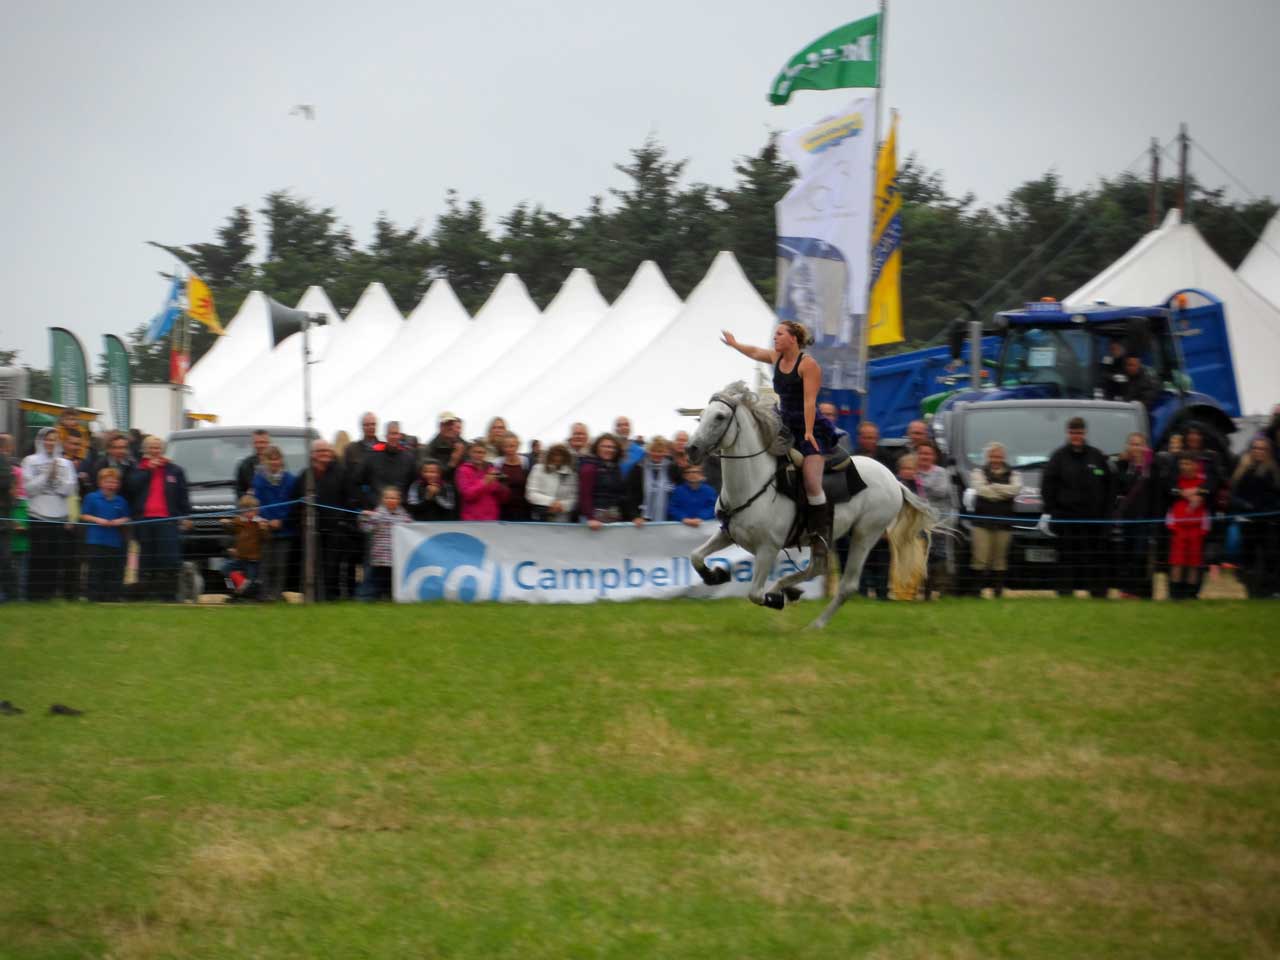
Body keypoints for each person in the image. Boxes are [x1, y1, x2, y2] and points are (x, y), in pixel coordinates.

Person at [722, 321, 837, 571]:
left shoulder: (808, 365)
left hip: (811, 429)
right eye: (774, 334)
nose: (774, 338)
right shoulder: (776, 357)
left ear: (793, 338)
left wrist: (807, 431)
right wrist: (734, 344)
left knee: (810, 480)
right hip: (782, 423)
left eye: (779, 334)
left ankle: (819, 536)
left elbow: (809, 402)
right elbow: (754, 352)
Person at [1041, 416, 1112, 598]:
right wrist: (1053, 511)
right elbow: (1047, 487)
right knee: (1066, 559)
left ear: (1085, 433)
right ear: (1068, 433)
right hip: (1067, 520)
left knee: (1094, 558)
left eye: (1079, 432)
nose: (1076, 436)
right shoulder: (1058, 457)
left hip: (1094, 522)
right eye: (1073, 432)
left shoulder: (1097, 456)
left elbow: (1109, 486)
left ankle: (1097, 593)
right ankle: (1065, 593)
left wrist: (1106, 514)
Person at [125, 435, 191, 601]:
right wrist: (148, 470)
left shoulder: (175, 470)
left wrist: (186, 516)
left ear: (163, 450)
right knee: (147, 559)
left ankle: (168, 596)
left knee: (169, 559)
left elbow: (183, 495)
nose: (155, 451)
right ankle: (145, 595)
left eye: (158, 448)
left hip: (167, 520)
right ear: (145, 450)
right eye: (151, 448)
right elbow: (131, 488)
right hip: (144, 520)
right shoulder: (137, 469)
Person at [21, 427, 77, 601]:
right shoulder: (29, 461)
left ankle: (50, 595)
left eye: (53, 439)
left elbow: (69, 489)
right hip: (38, 515)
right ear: (40, 441)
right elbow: (28, 489)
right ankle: (35, 596)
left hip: (59, 517)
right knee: (38, 558)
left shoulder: (66, 463)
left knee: (54, 559)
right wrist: (46, 475)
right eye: (47, 439)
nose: (50, 443)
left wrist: (55, 478)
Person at [290, 439, 349, 601]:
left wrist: (342, 520)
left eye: (327, 451)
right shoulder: (305, 475)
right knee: (312, 565)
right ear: (312, 454)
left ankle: (332, 597)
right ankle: (312, 596)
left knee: (333, 565)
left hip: (334, 529)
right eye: (320, 451)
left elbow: (349, 499)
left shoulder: (341, 473)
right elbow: (295, 500)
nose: (324, 454)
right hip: (311, 529)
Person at [966, 441, 1022, 598]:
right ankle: (976, 592)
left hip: (1004, 523)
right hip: (981, 523)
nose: (996, 459)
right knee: (980, 558)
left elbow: (1016, 489)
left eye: (999, 456)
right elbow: (981, 491)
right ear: (988, 457)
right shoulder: (978, 472)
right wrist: (1003, 491)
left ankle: (998, 593)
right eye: (993, 456)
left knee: (1000, 559)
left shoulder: (1014, 474)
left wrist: (994, 487)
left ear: (1003, 457)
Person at [1228, 436, 1280, 598]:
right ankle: (1252, 591)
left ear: (1268, 451)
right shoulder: (1242, 470)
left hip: (1267, 522)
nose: (1258, 451)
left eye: (1262, 448)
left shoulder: (1272, 472)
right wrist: (1244, 506)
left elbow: (1275, 496)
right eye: (1256, 448)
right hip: (1247, 521)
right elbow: (1233, 495)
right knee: (1247, 558)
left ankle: (1270, 591)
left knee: (1270, 556)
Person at [1111, 432, 1156, 598]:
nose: (1136, 447)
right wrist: (1123, 462)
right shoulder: (1124, 466)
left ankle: (1139, 592)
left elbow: (1156, 494)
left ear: (1145, 447)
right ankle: (1126, 590)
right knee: (1125, 554)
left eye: (1139, 444)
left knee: (1140, 555)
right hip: (1127, 518)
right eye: (1133, 444)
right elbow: (1120, 486)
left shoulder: (1151, 469)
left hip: (1145, 519)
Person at [79, 467, 130, 602]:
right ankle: (93, 597)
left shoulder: (121, 501)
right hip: (95, 540)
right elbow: (84, 515)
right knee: (95, 570)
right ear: (101, 483)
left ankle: (112, 597)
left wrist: (119, 521)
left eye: (114, 482)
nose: (111, 485)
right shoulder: (91, 497)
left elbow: (127, 518)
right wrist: (99, 520)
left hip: (114, 541)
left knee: (113, 570)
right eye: (108, 482)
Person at [252, 445, 295, 602]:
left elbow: (292, 504)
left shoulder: (291, 480)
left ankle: (277, 594)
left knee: (280, 565)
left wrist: (281, 520)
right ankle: (264, 595)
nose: (274, 462)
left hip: (285, 529)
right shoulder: (259, 480)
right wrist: (267, 520)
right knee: (265, 564)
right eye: (271, 459)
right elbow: (258, 503)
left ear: (281, 460)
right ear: (265, 461)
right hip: (265, 529)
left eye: (277, 458)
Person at [913, 442, 956, 598]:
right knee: (921, 555)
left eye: (928, 453)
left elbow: (941, 490)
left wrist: (919, 484)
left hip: (939, 522)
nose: (925, 456)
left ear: (934, 456)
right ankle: (923, 590)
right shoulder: (912, 471)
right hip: (917, 522)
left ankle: (942, 589)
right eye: (922, 453)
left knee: (938, 555)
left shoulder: (942, 472)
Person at [1167, 454, 1210, 599]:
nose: (1184, 467)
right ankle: (1175, 595)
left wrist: (1197, 494)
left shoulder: (1202, 482)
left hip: (1196, 529)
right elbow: (1171, 491)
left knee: (1193, 563)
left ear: (1195, 465)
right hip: (1178, 528)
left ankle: (1190, 594)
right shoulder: (1176, 481)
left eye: (1188, 463)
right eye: (1182, 464)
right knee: (1177, 562)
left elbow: (1207, 494)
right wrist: (1186, 495)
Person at [359, 486, 412, 600]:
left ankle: (391, 597)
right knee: (377, 579)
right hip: (380, 556)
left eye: (394, 498)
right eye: (388, 498)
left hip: (396, 557)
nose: (391, 500)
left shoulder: (404, 516)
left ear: (399, 500)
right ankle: (373, 597)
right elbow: (366, 528)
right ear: (383, 499)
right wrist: (364, 517)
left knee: (393, 579)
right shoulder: (377, 514)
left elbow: (412, 529)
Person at [358, 421, 416, 509]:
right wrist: (366, 505)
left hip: (401, 510)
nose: (394, 437)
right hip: (377, 509)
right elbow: (358, 480)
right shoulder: (372, 456)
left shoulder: (409, 458)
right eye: (391, 434)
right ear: (386, 436)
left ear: (400, 435)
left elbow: (413, 484)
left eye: (396, 433)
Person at [624, 436, 680, 526]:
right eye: (653, 450)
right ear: (648, 451)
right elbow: (630, 494)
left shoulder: (673, 468)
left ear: (665, 452)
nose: (657, 454)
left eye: (660, 451)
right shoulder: (638, 468)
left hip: (667, 517)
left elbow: (680, 492)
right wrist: (635, 516)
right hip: (641, 518)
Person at [221, 494, 268, 599]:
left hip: (253, 560)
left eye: (250, 510)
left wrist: (263, 530)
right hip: (240, 557)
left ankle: (250, 597)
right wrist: (226, 524)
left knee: (252, 581)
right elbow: (231, 530)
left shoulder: (260, 522)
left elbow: (266, 539)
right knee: (224, 569)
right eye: (244, 510)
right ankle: (232, 590)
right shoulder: (239, 520)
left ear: (257, 511)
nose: (247, 513)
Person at [578, 434, 626, 530]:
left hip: (613, 516)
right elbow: (585, 494)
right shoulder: (589, 467)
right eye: (605, 446)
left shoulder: (615, 467)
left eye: (612, 447)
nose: (609, 450)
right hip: (594, 518)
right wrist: (590, 518)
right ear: (597, 448)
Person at [455, 438, 509, 521]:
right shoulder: (463, 470)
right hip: (472, 520)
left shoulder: (491, 468)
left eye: (482, 452)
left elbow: (503, 498)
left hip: (492, 519)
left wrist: (501, 486)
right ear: (470, 453)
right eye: (476, 452)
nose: (479, 455)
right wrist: (484, 482)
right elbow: (467, 495)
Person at [526, 444, 578, 523]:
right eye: (554, 455)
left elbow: (574, 498)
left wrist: (562, 506)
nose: (557, 458)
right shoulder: (538, 469)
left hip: (563, 520)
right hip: (540, 518)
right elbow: (531, 493)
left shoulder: (572, 474)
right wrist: (551, 502)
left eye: (561, 455)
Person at [669, 463, 718, 527]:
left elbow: (713, 507)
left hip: (704, 526)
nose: (692, 474)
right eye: (688, 472)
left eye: (695, 472)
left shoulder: (710, 491)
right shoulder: (678, 491)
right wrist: (684, 519)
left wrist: (700, 518)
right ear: (684, 476)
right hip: (682, 526)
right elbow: (673, 508)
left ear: (702, 474)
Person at [496, 432, 529, 521]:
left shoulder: (525, 462)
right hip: (502, 510)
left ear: (517, 446)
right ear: (502, 447)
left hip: (522, 510)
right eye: (506, 446)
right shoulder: (497, 463)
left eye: (512, 446)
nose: (509, 449)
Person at [235, 429, 270, 497]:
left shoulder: (277, 462)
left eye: (263, 442)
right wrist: (247, 496)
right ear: (253, 444)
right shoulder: (245, 465)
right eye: (257, 442)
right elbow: (239, 491)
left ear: (269, 443)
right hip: (254, 506)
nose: (260, 445)